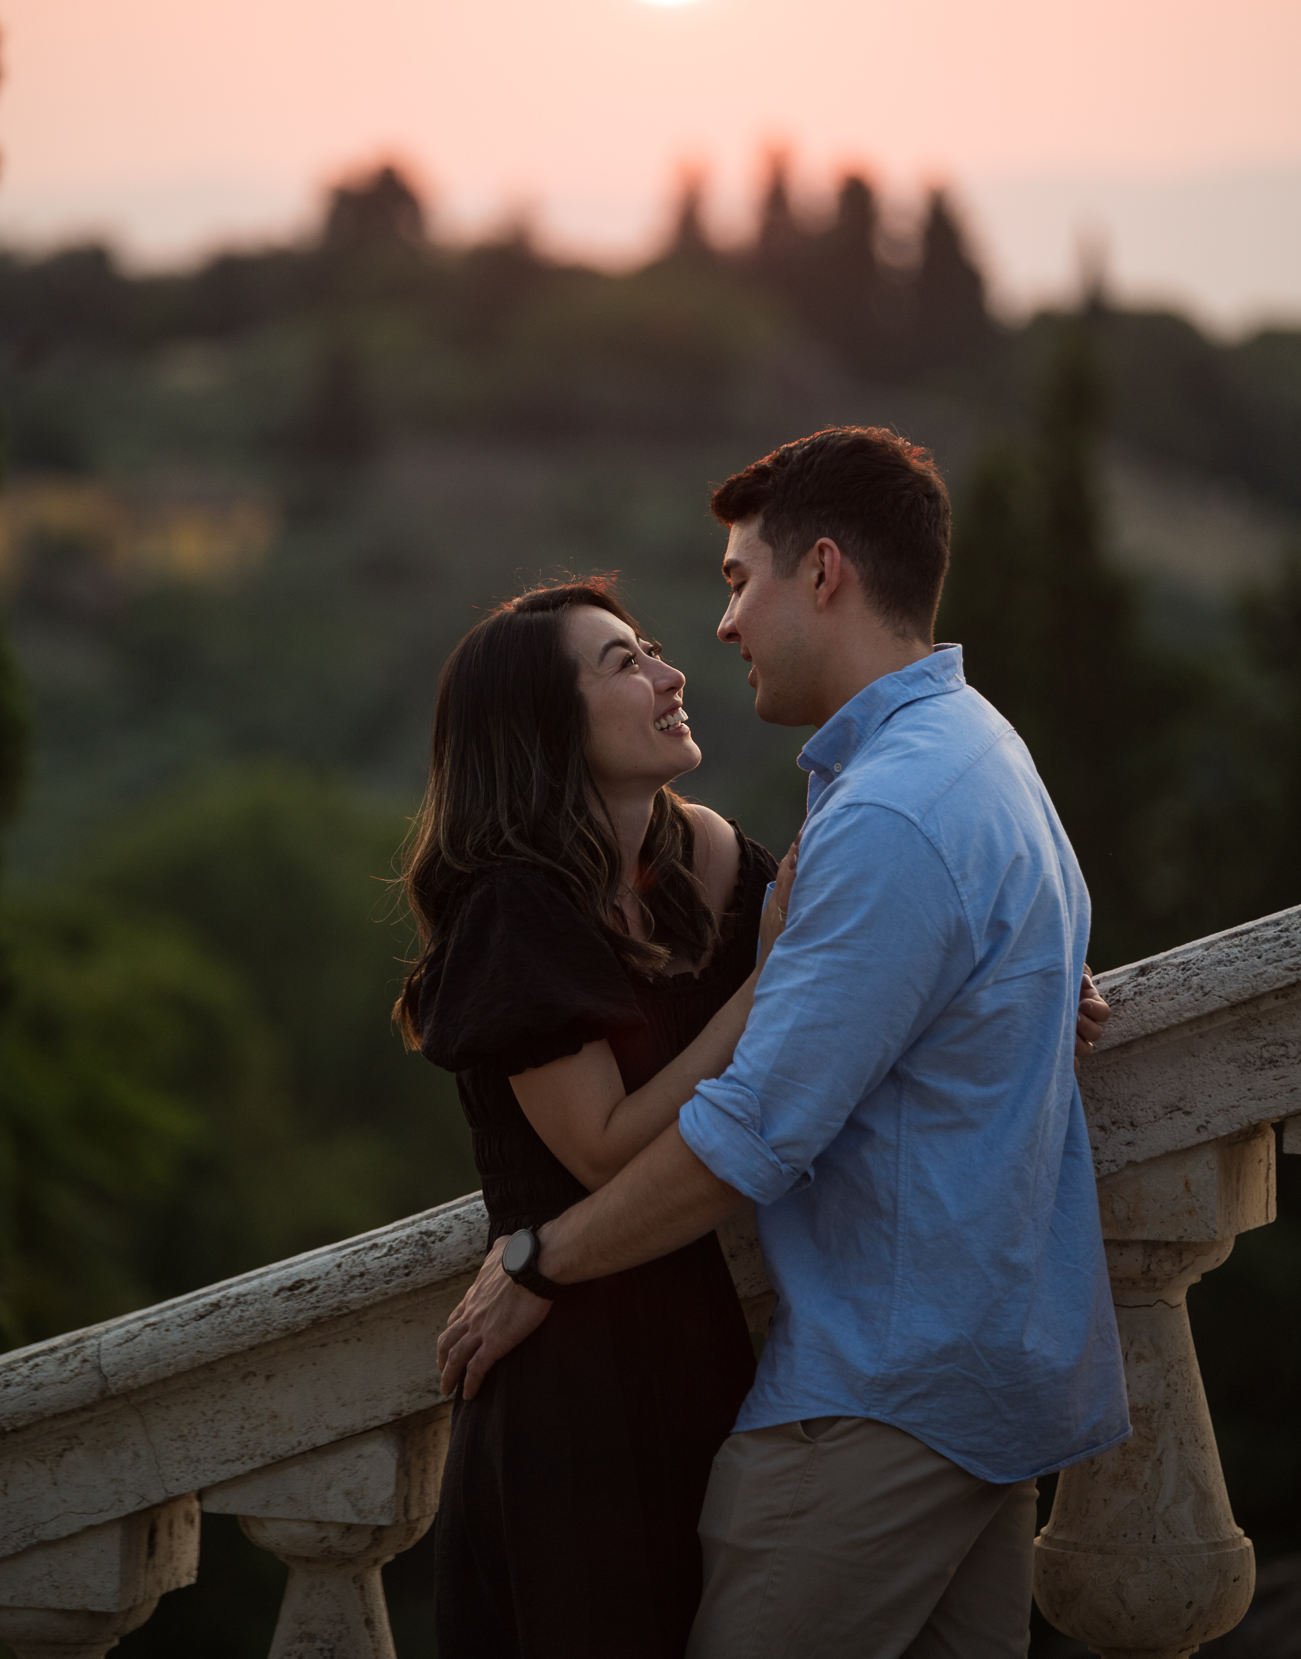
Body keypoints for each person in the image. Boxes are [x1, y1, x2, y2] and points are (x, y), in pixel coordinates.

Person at [437, 425, 1130, 1659]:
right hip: (955, 1372)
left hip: (880, 1390)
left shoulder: (890, 810)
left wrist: (537, 1260)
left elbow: (752, 1130)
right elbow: (862, 963)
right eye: (629, 656)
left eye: (736, 581)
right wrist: (1005, 977)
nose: (713, 632)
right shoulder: (971, 746)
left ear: (821, 571)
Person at [395, 580, 798, 1659]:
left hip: (699, 1339)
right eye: (626, 663)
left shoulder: (705, 858)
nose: (670, 676)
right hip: (566, 1386)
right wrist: (765, 988)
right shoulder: (510, 906)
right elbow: (605, 1148)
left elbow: (854, 966)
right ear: (543, 725)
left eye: (652, 650)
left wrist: (1030, 983)